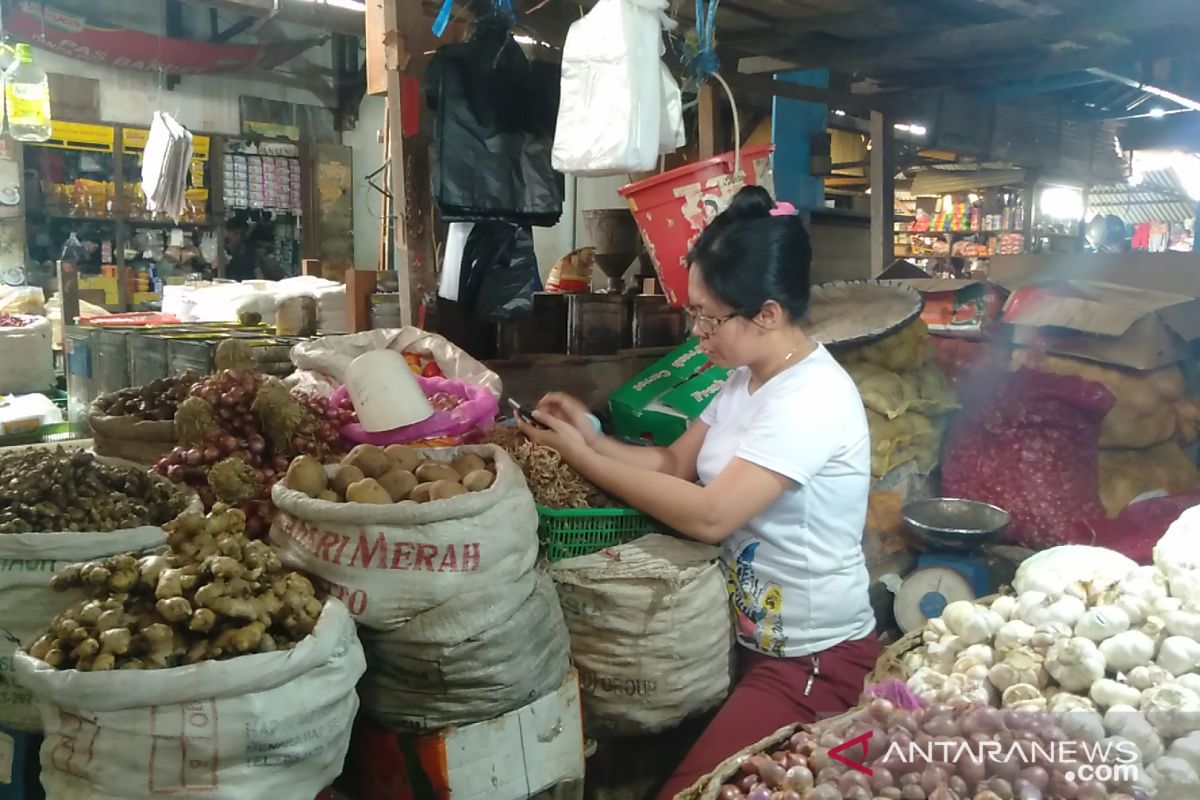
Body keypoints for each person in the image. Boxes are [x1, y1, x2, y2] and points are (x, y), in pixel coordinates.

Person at [516, 186, 879, 799]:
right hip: (742, 639)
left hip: (812, 659)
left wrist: (583, 459)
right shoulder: (742, 379)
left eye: (709, 317)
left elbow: (711, 515)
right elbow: (674, 464)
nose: (697, 332)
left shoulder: (811, 398)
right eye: (694, 314)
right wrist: (588, 433)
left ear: (766, 314)